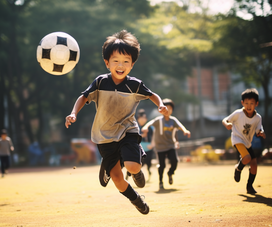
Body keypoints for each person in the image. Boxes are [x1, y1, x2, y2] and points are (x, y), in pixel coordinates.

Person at [65, 30, 169, 215]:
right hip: (104, 136)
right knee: (116, 178)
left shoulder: (135, 85)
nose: (120, 65)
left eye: (126, 61)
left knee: (132, 166)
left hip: (127, 130)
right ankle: (136, 200)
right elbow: (83, 97)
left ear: (132, 64)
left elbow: (153, 95)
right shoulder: (100, 82)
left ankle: (136, 169)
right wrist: (73, 113)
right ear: (107, 63)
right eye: (115, 61)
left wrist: (160, 104)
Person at [222, 88, 266, 194]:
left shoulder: (258, 118)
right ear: (242, 103)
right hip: (237, 139)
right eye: (246, 103)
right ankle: (238, 169)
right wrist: (227, 124)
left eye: (251, 103)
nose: (249, 106)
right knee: (247, 158)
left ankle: (249, 186)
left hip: (248, 142)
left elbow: (259, 129)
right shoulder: (238, 113)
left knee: (254, 164)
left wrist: (261, 133)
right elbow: (225, 119)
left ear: (256, 103)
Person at [142, 98, 191, 190]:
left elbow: (181, 126)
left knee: (174, 161)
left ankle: (170, 173)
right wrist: (145, 127)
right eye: (166, 108)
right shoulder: (158, 120)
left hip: (170, 145)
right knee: (162, 165)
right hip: (160, 147)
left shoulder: (173, 120)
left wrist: (185, 131)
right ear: (161, 110)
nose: (168, 110)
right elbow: (149, 123)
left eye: (170, 108)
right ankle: (161, 182)